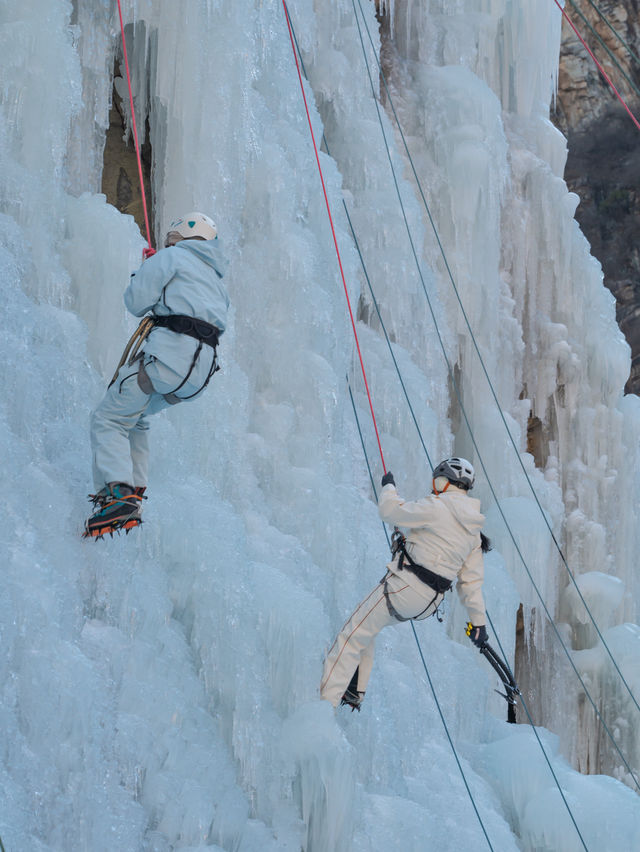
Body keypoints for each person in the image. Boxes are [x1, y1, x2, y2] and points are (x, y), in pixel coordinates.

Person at [85, 212, 229, 538]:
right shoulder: (216, 283)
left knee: (108, 419)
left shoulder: (172, 257)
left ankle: (117, 494)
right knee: (135, 416)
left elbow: (136, 302)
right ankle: (134, 493)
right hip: (195, 380)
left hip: (166, 362)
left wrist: (147, 268)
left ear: (178, 237)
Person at [320, 458, 489, 710]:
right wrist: (479, 624)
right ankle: (355, 689)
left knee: (350, 636)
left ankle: (324, 707)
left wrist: (389, 487)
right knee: (366, 629)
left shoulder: (437, 506)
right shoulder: (474, 532)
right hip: (428, 603)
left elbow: (390, 511)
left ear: (443, 481)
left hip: (404, 588)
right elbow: (471, 584)